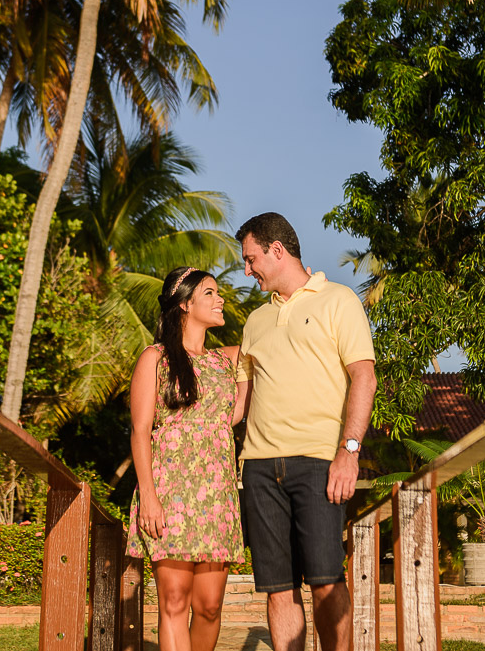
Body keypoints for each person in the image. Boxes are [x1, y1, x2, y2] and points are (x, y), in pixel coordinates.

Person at [233, 212, 378, 651]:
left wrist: (348, 451)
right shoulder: (255, 321)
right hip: (257, 469)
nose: (247, 270)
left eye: (251, 258)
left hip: (318, 462)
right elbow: (237, 404)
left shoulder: (338, 300)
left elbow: (364, 377)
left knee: (326, 582)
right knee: (278, 588)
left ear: (277, 251)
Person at [126, 266, 248, 651]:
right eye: (210, 293)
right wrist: (148, 494)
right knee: (175, 600)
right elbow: (140, 430)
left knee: (209, 606)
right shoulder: (155, 357)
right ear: (184, 304)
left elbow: (236, 413)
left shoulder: (225, 360)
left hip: (217, 495)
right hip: (169, 491)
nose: (220, 299)